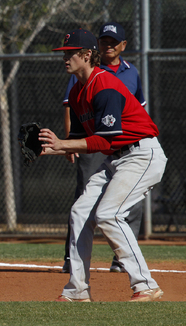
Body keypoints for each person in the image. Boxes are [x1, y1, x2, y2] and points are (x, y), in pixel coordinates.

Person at [41, 29, 167, 302]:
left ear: (87, 55)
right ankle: (78, 290)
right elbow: (78, 139)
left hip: (142, 154)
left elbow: (102, 140)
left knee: (108, 214)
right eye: (64, 53)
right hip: (117, 159)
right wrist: (50, 148)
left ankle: (145, 284)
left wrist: (61, 144)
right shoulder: (76, 91)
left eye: (70, 53)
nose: (65, 58)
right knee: (80, 212)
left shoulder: (104, 84)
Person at [61, 22, 146, 274]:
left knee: (116, 209)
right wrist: (61, 144)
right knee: (82, 203)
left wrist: (63, 143)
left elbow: (138, 111)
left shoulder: (122, 74)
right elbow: (73, 109)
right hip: (96, 142)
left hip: (130, 148)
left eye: (112, 41)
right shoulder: (81, 79)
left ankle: (127, 265)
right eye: (104, 40)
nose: (107, 45)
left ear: (122, 46)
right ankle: (74, 268)